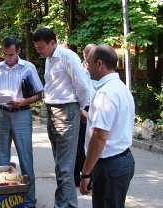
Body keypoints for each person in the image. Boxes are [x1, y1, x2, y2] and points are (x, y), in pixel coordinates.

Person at [0, 37, 43, 208]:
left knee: (25, 159)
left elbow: (39, 94)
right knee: (3, 160)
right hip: (2, 115)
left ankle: (29, 200)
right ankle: (5, 199)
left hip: (21, 114)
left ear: (18, 51)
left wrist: (23, 102)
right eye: (5, 55)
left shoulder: (28, 68)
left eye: (11, 55)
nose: (8, 58)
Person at [33, 28, 90, 208]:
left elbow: (83, 86)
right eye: (37, 48)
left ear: (52, 42)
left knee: (65, 168)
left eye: (41, 47)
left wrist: (80, 108)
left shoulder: (67, 56)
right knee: (60, 166)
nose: (39, 51)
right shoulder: (49, 59)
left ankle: (67, 206)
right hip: (52, 111)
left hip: (66, 111)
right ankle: (64, 203)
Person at [80, 44, 135, 208]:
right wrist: (86, 117)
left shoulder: (105, 94)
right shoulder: (120, 88)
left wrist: (85, 174)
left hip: (109, 166)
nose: (87, 67)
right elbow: (114, 124)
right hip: (122, 160)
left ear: (99, 64)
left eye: (88, 63)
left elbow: (99, 137)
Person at [74, 43, 97, 186]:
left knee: (93, 143)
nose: (89, 59)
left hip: (96, 107)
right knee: (79, 144)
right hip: (82, 106)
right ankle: (78, 177)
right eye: (88, 55)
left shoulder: (97, 69)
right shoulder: (78, 69)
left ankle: (91, 176)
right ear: (84, 55)